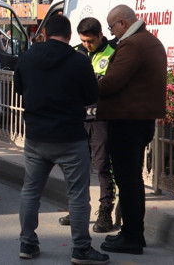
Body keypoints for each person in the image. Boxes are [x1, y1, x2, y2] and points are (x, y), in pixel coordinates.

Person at [14, 14, 110, 264]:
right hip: (70, 138)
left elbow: (18, 88)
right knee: (78, 195)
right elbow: (91, 96)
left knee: (30, 191)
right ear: (69, 37)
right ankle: (81, 249)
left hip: (36, 137)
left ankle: (27, 243)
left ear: (44, 34)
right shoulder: (78, 61)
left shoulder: (26, 58)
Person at [97, 4, 166, 255]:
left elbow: (113, 81)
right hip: (140, 120)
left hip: (127, 120)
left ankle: (131, 236)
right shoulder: (150, 41)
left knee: (127, 181)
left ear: (123, 23)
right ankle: (134, 233)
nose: (111, 32)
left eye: (111, 26)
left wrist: (90, 86)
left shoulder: (132, 44)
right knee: (133, 180)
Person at [60, 17, 117, 232]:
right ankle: (77, 209)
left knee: (103, 166)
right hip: (79, 119)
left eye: (90, 41)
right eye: (83, 40)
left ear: (100, 35)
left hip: (102, 119)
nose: (86, 45)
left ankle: (105, 213)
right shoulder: (75, 53)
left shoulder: (114, 50)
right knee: (76, 167)